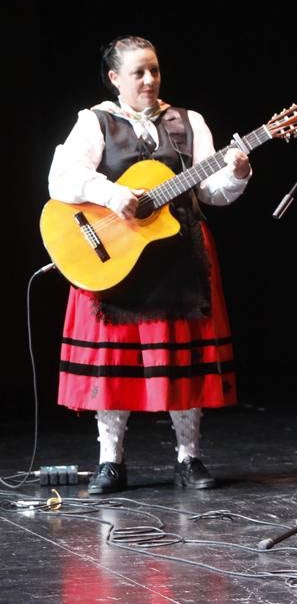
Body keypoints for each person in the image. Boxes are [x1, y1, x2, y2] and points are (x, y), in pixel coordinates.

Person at [48, 35, 252, 494]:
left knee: (180, 361)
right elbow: (61, 178)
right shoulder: (95, 121)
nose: (149, 80)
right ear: (115, 78)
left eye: (154, 70)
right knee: (114, 362)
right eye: (138, 72)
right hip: (117, 255)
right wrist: (113, 194)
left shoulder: (188, 121)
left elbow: (211, 192)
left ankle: (189, 458)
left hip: (179, 256)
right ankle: (110, 462)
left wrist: (236, 173)